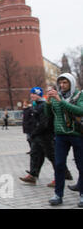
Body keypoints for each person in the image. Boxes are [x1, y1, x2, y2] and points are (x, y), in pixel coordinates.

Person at [45, 73, 83, 207]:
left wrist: (60, 101)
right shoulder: (56, 96)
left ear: (71, 83)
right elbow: (48, 115)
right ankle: (58, 195)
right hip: (60, 135)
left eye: (65, 83)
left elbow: (80, 110)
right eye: (60, 83)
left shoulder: (78, 95)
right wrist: (48, 102)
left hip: (77, 134)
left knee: (81, 165)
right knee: (59, 164)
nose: (62, 85)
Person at [19, 87, 56, 187]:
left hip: (45, 136)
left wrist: (35, 132)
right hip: (37, 135)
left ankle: (60, 176)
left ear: (39, 95)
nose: (32, 95)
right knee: (35, 154)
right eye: (31, 94)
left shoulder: (43, 105)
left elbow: (44, 123)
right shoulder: (37, 105)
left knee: (52, 156)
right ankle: (32, 175)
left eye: (34, 94)